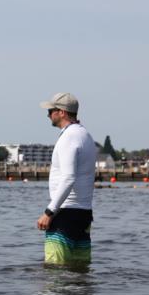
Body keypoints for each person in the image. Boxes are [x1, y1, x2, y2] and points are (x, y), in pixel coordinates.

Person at [36, 93, 98, 266]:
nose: (48, 114)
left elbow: (68, 178)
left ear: (62, 112)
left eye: (51, 110)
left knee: (55, 271)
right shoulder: (86, 135)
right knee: (80, 270)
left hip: (65, 213)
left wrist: (49, 212)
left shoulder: (69, 137)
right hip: (84, 214)